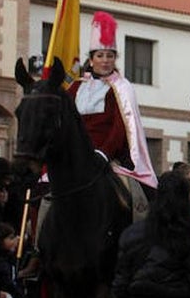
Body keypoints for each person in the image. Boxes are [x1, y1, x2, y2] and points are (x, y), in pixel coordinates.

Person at [66, 11, 157, 190]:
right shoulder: (75, 87)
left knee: (137, 194)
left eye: (110, 56)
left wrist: (103, 153)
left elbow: (120, 127)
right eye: (100, 55)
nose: (105, 61)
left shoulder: (123, 87)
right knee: (45, 190)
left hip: (108, 157)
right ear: (91, 60)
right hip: (74, 154)